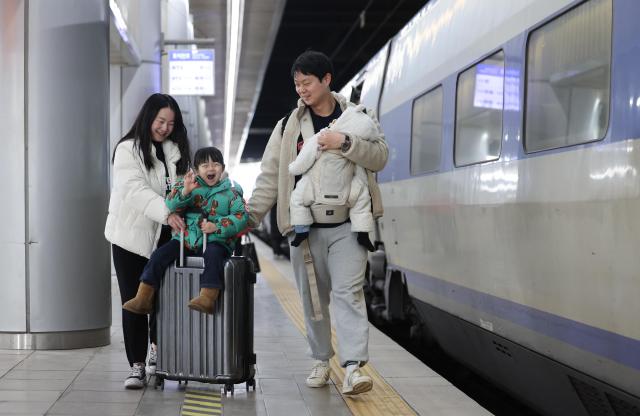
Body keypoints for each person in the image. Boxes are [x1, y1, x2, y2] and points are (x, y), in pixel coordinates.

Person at [248, 50, 387, 395]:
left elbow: (380, 156)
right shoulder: (288, 126)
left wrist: (347, 143)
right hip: (304, 228)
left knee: (348, 292)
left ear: (326, 79)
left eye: (307, 82)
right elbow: (270, 177)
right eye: (297, 84)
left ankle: (354, 367)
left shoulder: (358, 117)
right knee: (313, 299)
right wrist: (249, 218)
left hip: (348, 226)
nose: (301, 90)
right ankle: (322, 360)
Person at [104, 93, 191, 389]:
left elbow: (183, 191)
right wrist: (167, 212)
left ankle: (157, 353)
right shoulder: (128, 149)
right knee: (134, 299)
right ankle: (136, 366)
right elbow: (134, 189)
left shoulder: (176, 152)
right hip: (130, 238)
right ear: (148, 118)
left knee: (163, 300)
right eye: (160, 120)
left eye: (171, 123)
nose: (165, 127)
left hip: (165, 239)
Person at [122, 146, 248, 315]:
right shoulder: (188, 185)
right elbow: (170, 205)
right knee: (159, 255)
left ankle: (208, 297)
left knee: (213, 255)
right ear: (196, 170)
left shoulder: (232, 194)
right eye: (205, 165)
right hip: (186, 239)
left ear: (223, 169)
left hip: (216, 240)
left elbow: (241, 217)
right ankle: (144, 297)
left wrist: (217, 226)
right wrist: (185, 191)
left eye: (216, 164)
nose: (211, 168)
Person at [288, 104, 378, 250]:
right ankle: (363, 232)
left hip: (315, 186)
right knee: (362, 199)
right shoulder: (327, 136)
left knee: (297, 198)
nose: (302, 89)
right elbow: (359, 169)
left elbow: (306, 156)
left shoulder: (322, 136)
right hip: (346, 188)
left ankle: (301, 230)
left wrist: (295, 168)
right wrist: (361, 182)